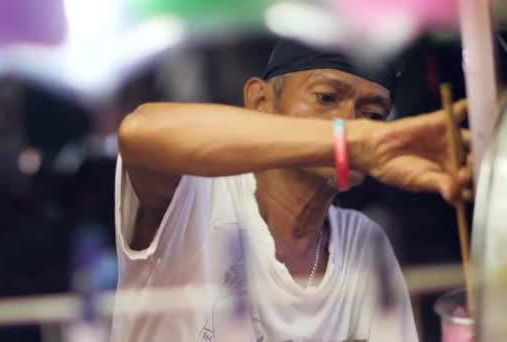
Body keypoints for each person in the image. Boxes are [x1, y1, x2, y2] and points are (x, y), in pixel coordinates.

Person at [111, 39, 471, 341]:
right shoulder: (196, 191)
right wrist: (346, 143)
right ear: (261, 102)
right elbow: (138, 131)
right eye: (327, 97)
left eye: (374, 115)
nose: (352, 122)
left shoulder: (363, 244)